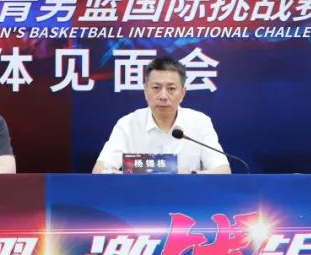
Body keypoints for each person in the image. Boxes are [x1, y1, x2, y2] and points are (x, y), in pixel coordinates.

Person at [93, 55, 231, 174]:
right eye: (156, 88)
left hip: (186, 195)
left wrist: (188, 175)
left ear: (183, 93)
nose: (163, 96)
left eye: (171, 88)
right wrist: (127, 175)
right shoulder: (128, 124)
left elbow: (223, 170)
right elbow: (99, 170)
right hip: (139, 195)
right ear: (145, 91)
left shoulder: (200, 122)